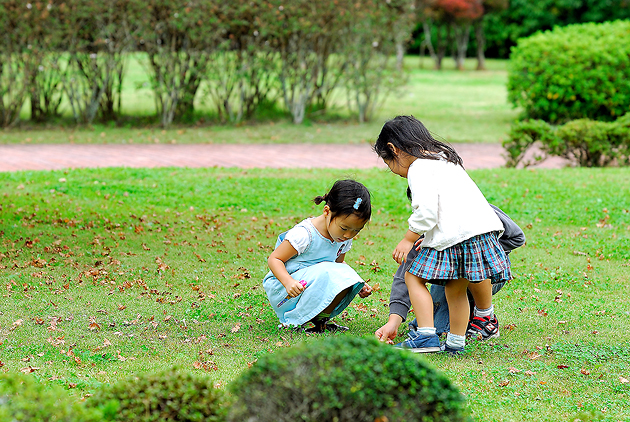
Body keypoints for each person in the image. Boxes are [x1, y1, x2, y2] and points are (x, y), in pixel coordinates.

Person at [372, 115, 512, 354]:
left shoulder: (418, 167)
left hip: (456, 237)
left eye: (389, 165)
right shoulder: (445, 158)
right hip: (480, 232)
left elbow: (426, 213)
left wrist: (408, 239)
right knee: (455, 288)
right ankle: (456, 342)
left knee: (413, 277)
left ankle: (426, 336)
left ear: (393, 149)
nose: (395, 172)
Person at [375, 204, 525, 344]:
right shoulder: (427, 224)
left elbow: (517, 237)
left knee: (473, 256)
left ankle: (485, 316)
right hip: (449, 278)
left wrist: (489, 253)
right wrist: (393, 321)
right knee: (437, 327)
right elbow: (406, 272)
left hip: (487, 275)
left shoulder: (476, 208)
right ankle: (458, 320)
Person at [263, 179, 373, 333]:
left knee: (343, 276)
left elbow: (339, 266)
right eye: (344, 228)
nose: (348, 235)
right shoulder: (305, 234)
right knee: (333, 272)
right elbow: (274, 259)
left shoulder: (343, 239)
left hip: (311, 283)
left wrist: (356, 281)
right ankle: (297, 320)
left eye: (356, 231)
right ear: (327, 211)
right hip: (285, 289)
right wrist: (288, 282)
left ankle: (320, 321)